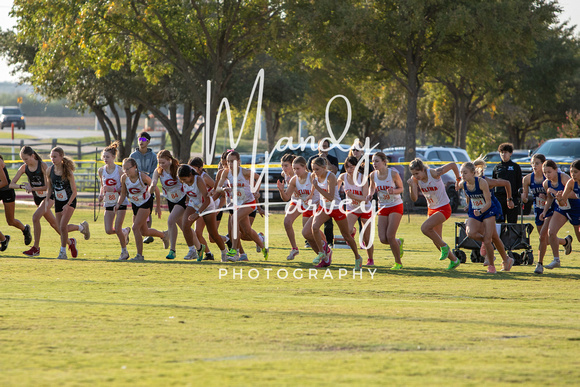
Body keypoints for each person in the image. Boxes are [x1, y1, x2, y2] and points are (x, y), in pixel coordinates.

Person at [10, 146, 75, 257]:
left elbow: (47, 187)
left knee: (35, 217)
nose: (25, 161)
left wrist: (32, 188)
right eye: (23, 159)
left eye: (26, 159)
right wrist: (23, 186)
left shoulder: (43, 166)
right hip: (38, 199)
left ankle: (36, 248)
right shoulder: (24, 168)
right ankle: (71, 240)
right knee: (55, 225)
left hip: (49, 198)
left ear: (33, 156)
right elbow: (12, 184)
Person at [304, 157, 361, 269]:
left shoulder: (331, 176)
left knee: (346, 236)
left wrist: (317, 187)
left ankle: (358, 257)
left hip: (335, 208)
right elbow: (313, 186)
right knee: (314, 227)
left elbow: (330, 196)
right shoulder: (313, 175)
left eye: (317, 169)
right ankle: (322, 253)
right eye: (313, 169)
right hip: (323, 207)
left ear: (324, 168)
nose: (314, 172)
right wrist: (310, 195)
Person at [460, 162, 513, 273]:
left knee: (489, 239)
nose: (462, 175)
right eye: (461, 173)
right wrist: (467, 205)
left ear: (473, 173)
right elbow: (469, 196)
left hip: (488, 210)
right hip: (476, 211)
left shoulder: (483, 182)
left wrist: (509, 199)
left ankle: (492, 265)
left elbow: (488, 202)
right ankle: (506, 259)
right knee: (471, 233)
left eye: (465, 172)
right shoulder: (463, 184)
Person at [521, 154, 571, 274]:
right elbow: (525, 197)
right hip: (539, 210)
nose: (534, 166)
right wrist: (523, 196)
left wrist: (553, 196)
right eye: (532, 163)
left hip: (552, 209)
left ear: (543, 164)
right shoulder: (528, 179)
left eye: (537, 163)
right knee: (546, 239)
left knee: (543, 236)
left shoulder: (551, 178)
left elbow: (555, 195)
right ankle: (565, 242)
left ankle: (539, 264)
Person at [407, 158, 461, 270]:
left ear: (423, 169)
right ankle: (455, 261)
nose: (415, 176)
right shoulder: (415, 179)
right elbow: (414, 198)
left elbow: (452, 165)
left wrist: (458, 179)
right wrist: (412, 185)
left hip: (444, 208)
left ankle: (445, 247)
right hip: (431, 209)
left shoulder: (433, 173)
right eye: (413, 174)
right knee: (437, 242)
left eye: (417, 173)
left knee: (425, 228)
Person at [214, 150, 267, 261]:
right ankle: (263, 247)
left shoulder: (245, 172)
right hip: (236, 204)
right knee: (247, 230)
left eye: (232, 161)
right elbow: (218, 188)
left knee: (234, 219)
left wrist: (256, 191)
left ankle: (234, 251)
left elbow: (259, 178)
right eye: (228, 161)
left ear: (239, 162)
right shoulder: (226, 172)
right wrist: (224, 189)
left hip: (249, 202)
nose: (230, 164)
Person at [115, 157, 169, 261]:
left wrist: (158, 206)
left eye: (128, 168)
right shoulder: (124, 178)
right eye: (124, 169)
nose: (125, 171)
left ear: (135, 167)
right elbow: (123, 193)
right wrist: (118, 204)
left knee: (135, 227)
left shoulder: (142, 177)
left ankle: (139, 255)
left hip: (146, 203)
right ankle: (164, 235)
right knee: (144, 231)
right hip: (135, 204)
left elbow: (156, 190)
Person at [45, 147, 91, 259]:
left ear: (61, 157)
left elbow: (74, 191)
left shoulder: (68, 172)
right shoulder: (49, 171)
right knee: (61, 228)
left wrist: (68, 204)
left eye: (55, 156)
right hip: (59, 202)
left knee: (62, 226)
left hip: (69, 201)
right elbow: (50, 188)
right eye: (51, 156)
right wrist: (47, 200)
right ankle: (81, 228)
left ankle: (63, 252)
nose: (52, 159)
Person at [277, 155, 323, 260]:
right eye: (282, 166)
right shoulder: (291, 178)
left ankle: (324, 247)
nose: (284, 168)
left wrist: (311, 196)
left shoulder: (310, 176)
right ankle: (295, 249)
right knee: (287, 222)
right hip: (300, 202)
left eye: (286, 166)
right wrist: (281, 190)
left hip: (314, 204)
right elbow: (286, 197)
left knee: (311, 230)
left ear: (304, 167)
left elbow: (315, 187)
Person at [178, 164, 227, 261]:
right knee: (185, 225)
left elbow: (207, 200)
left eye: (184, 179)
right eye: (181, 180)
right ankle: (192, 251)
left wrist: (197, 213)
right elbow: (189, 192)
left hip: (207, 206)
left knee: (213, 234)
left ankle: (224, 251)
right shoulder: (184, 180)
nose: (183, 182)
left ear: (190, 175)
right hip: (194, 204)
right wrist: (187, 201)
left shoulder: (199, 180)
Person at [539, 160, 580, 271]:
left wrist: (560, 193)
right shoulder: (547, 183)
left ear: (556, 170)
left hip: (576, 209)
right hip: (562, 209)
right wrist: (545, 211)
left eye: (549, 172)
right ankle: (556, 260)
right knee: (551, 232)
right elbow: (555, 199)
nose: (547, 175)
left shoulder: (564, 178)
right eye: (544, 172)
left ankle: (566, 243)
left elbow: (574, 195)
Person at [367, 152, 405, 269]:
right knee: (383, 239)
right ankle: (398, 242)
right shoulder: (373, 175)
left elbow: (401, 188)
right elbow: (372, 187)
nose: (374, 164)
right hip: (382, 207)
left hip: (395, 205)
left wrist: (394, 191)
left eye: (377, 161)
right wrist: (370, 194)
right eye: (373, 161)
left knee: (389, 235)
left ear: (384, 162)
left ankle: (398, 263)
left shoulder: (393, 173)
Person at [149, 150, 187, 260]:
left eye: (163, 162)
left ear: (169, 160)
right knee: (184, 227)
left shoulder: (178, 169)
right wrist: (152, 186)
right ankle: (198, 248)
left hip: (182, 198)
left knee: (171, 221)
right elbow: (153, 183)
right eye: (159, 162)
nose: (161, 165)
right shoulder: (159, 171)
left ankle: (173, 250)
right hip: (171, 200)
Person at [338, 156, 374, 266]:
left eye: (352, 167)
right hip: (352, 208)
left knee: (367, 239)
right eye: (347, 167)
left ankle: (370, 259)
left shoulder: (362, 178)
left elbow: (364, 198)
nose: (349, 170)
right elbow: (334, 187)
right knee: (346, 231)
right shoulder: (343, 177)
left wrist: (352, 196)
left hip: (365, 209)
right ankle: (352, 231)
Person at [98, 142, 131, 260]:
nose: (105, 159)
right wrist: (101, 195)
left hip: (120, 201)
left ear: (113, 157)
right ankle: (125, 232)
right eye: (104, 156)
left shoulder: (120, 171)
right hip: (108, 202)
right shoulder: (101, 171)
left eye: (107, 157)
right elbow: (103, 185)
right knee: (108, 230)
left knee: (117, 228)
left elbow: (124, 188)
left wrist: (114, 189)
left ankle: (124, 252)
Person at [307, 138, 339, 248]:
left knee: (332, 225)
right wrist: (310, 195)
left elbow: (333, 171)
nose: (324, 148)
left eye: (326, 146)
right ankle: (318, 245)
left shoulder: (332, 159)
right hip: (319, 197)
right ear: (318, 146)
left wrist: (326, 160)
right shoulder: (312, 159)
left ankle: (330, 242)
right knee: (313, 224)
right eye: (322, 146)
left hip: (333, 200)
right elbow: (312, 176)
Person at [130, 131, 158, 244]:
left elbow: (154, 170)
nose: (141, 142)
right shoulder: (133, 156)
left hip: (148, 185)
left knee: (148, 211)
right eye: (139, 140)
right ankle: (137, 232)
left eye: (144, 140)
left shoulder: (153, 156)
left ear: (148, 142)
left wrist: (148, 181)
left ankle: (147, 233)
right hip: (136, 186)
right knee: (136, 211)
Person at [189, 157, 218, 261]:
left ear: (200, 168)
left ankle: (227, 243)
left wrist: (211, 198)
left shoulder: (203, 177)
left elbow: (217, 188)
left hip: (208, 205)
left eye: (194, 168)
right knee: (198, 233)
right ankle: (208, 254)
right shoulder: (191, 177)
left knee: (212, 236)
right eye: (190, 168)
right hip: (199, 206)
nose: (191, 170)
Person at [0, 154, 32, 247]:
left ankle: (25, 229)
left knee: (10, 221)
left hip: (6, 191)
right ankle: (3, 239)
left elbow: (4, 182)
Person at [492, 143, 522, 223]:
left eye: (505, 152)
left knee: (512, 222)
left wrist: (519, 196)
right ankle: (499, 236)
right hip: (499, 197)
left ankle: (512, 236)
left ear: (510, 153)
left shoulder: (515, 167)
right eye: (501, 152)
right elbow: (493, 182)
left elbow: (519, 183)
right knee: (499, 222)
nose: (503, 154)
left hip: (512, 198)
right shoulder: (497, 168)